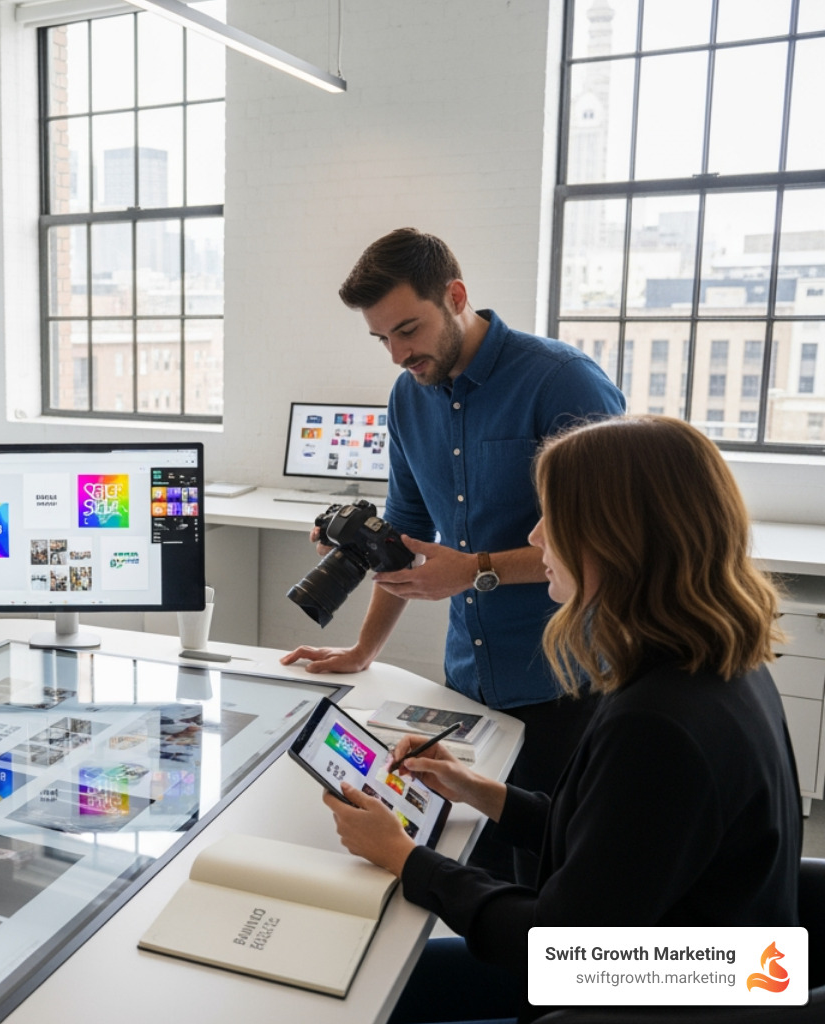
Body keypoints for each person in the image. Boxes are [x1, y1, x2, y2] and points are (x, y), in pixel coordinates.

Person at [323, 415, 802, 1024]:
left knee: (351, 993)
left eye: (554, 516)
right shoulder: (720, 664)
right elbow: (622, 845)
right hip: (695, 972)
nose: (536, 534)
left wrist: (405, 859)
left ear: (618, 537)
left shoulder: (657, 724)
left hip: (630, 1000)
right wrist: (485, 794)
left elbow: (559, 948)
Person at [281, 228, 625, 879]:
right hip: (470, 686)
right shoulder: (408, 397)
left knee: (561, 877)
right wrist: (364, 651)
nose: (396, 353)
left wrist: (475, 571)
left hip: (570, 687)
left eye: (407, 330)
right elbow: (405, 537)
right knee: (481, 865)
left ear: (456, 297)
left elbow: (617, 537)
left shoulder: (563, 383)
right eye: (382, 338)